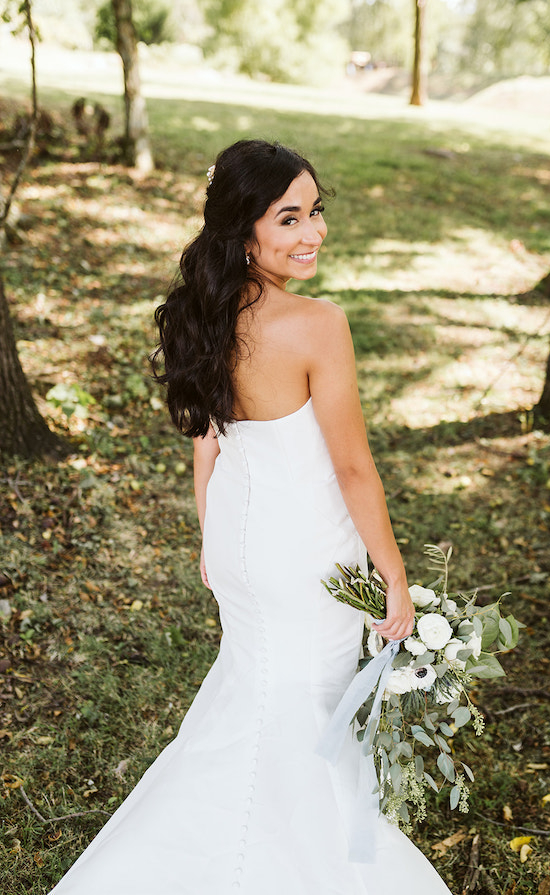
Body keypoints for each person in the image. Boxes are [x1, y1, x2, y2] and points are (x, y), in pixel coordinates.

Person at [51, 140, 451, 894]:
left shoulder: (204, 309)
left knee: (254, 696)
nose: (313, 233)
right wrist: (393, 576)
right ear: (245, 233)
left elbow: (209, 438)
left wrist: (211, 534)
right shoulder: (315, 324)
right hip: (304, 551)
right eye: (290, 218)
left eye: (316, 211)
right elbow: (353, 467)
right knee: (298, 713)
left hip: (241, 543)